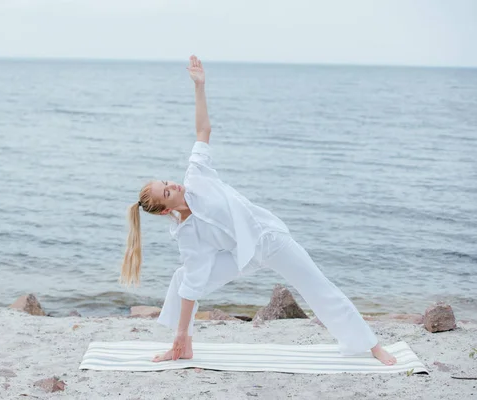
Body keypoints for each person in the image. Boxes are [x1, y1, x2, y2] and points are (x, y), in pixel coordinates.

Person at [120, 55, 397, 366]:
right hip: (241, 257)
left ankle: (370, 345)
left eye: (167, 182)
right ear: (162, 210)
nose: (174, 186)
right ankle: (182, 342)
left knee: (317, 286)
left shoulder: (196, 176)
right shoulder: (188, 235)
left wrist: (200, 87)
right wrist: (181, 333)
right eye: (167, 192)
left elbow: (203, 130)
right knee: (184, 279)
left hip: (270, 240)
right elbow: (193, 286)